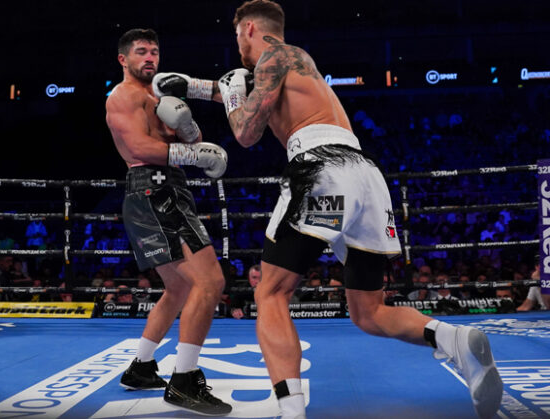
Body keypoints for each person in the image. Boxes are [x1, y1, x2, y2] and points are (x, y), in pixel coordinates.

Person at [153, 2, 502, 418]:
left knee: (271, 293)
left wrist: (227, 92)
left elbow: (245, 130)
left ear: (248, 28)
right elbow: (242, 85)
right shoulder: (290, 63)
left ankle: (291, 411)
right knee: (368, 311)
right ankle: (454, 340)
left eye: (236, 37)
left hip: (321, 168)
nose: (238, 48)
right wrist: (192, 86)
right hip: (364, 176)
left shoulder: (277, 55)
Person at [104, 28, 231, 416]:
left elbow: (190, 142)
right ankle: (184, 381)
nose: (150, 58)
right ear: (123, 59)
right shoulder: (122, 96)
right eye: (141, 52)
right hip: (154, 190)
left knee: (177, 288)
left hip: (165, 190)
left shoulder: (160, 95)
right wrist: (195, 156)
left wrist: (191, 130)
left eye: (155, 52)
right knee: (210, 282)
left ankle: (141, 367)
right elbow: (141, 148)